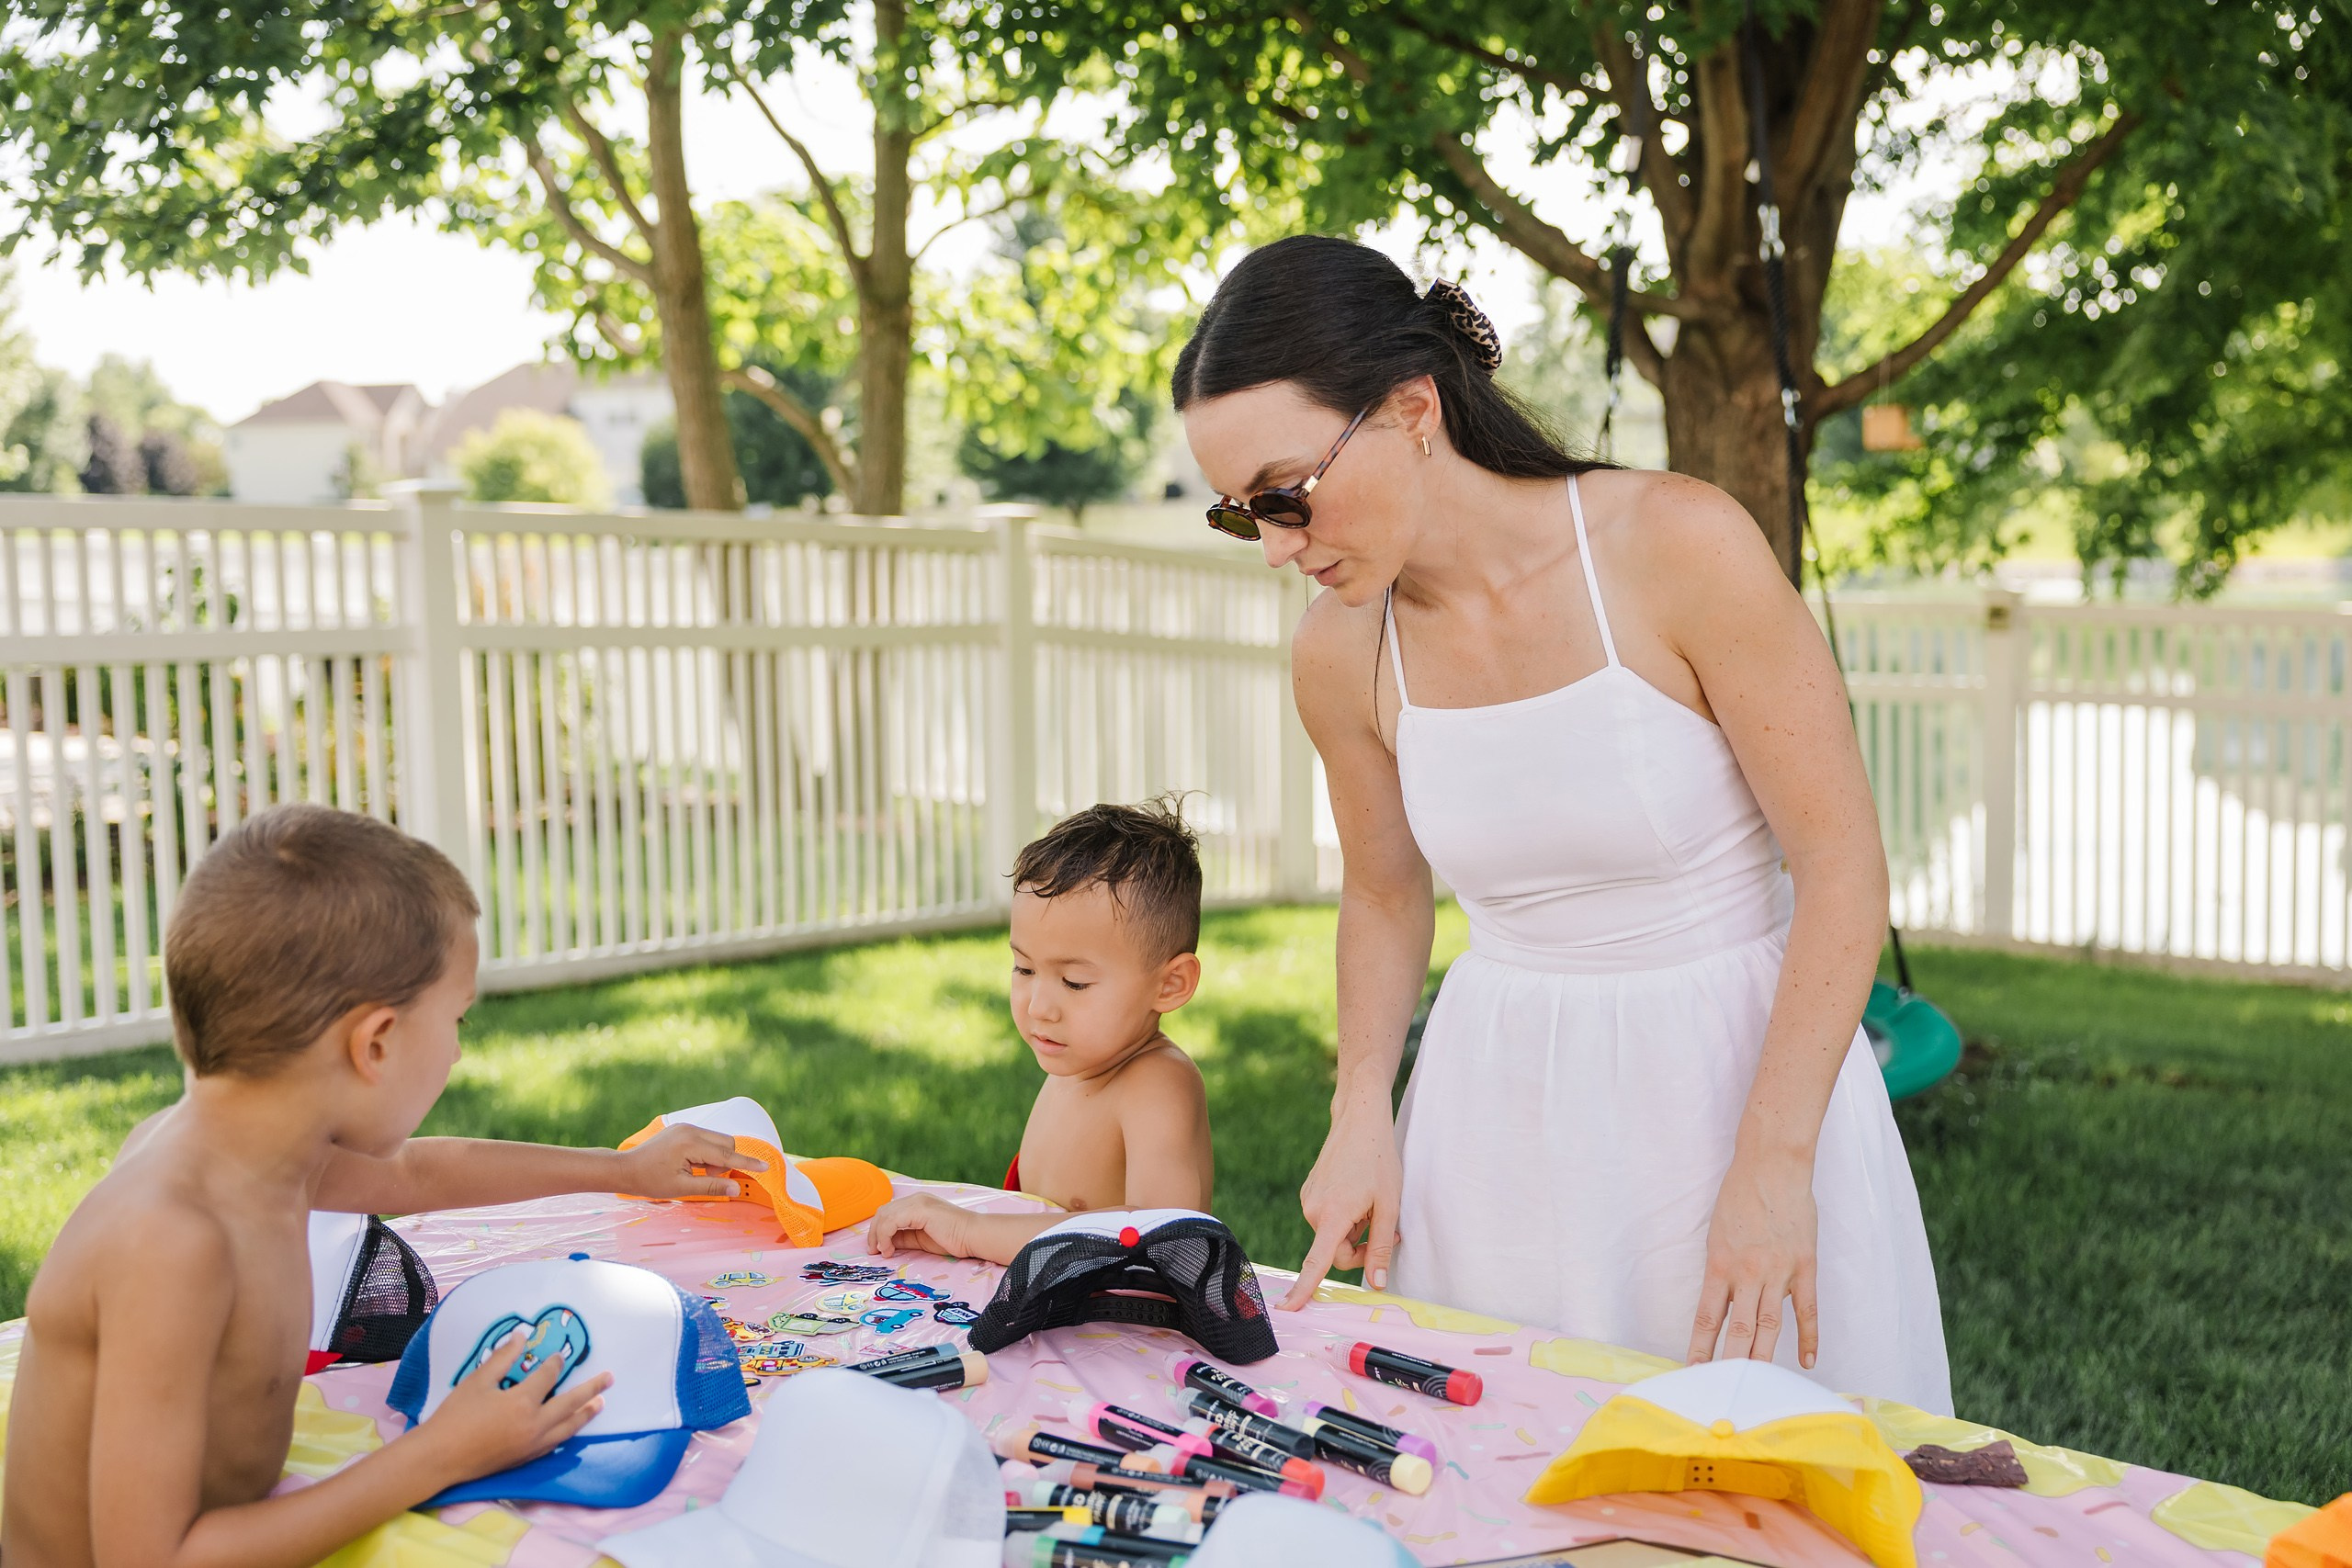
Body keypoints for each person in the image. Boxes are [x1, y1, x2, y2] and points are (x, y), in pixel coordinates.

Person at [1175, 235, 1950, 1413]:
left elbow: (1840, 865)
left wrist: (1774, 1163)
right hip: (1498, 1110)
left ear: (1410, 408)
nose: (1280, 545)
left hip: (1737, 1079)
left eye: (1286, 494)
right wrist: (1359, 1114)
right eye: (1244, 518)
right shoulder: (1339, 652)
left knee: (1763, 1471)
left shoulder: (1675, 547)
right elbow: (1385, 892)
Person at [2, 804, 761, 1568]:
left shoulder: (252, 1146)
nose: (459, 1053)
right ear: (375, 1042)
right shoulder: (176, 1241)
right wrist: (441, 1452)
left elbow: (418, 1172)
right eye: (457, 1019)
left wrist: (622, 1170)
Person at [868, 800, 1212, 1266]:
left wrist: (971, 1232)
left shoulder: (1157, 1084)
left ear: (1170, 984)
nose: (1039, 1006)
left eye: (1074, 982)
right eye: (1024, 968)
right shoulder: (1083, 1059)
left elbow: (1161, 1234)